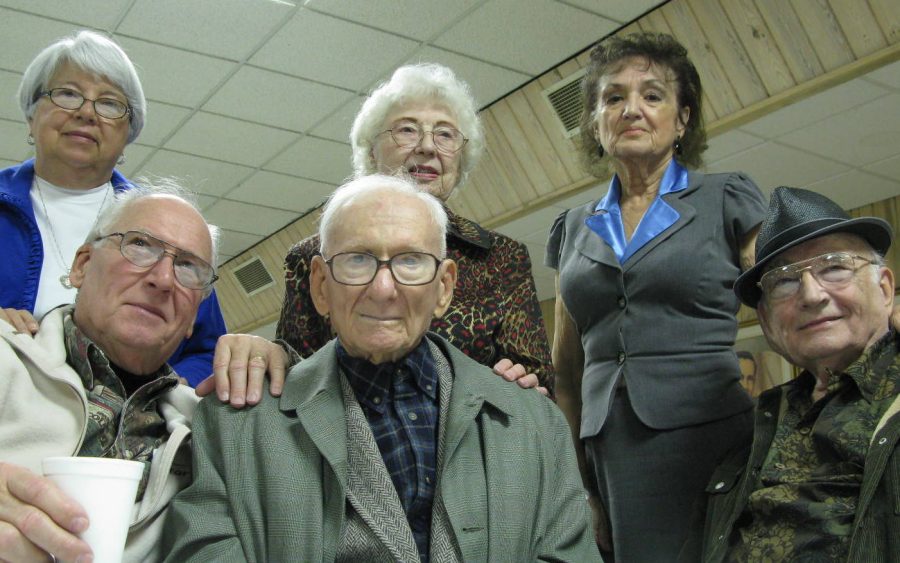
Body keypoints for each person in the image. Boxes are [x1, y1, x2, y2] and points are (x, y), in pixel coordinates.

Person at [162, 175, 598, 562]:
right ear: (319, 286)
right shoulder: (236, 425)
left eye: (410, 261)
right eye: (357, 260)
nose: (383, 288)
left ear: (444, 288)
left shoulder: (534, 423)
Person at [546, 32, 767, 561]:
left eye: (652, 95)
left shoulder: (725, 199)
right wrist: (580, 487)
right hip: (610, 454)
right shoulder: (573, 227)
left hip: (710, 435)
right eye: (613, 97)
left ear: (682, 118)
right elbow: (566, 374)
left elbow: (785, 302)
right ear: (596, 124)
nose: (631, 109)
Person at [274, 63, 553, 398]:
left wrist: (524, 384)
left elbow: (537, 374)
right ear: (372, 149)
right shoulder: (314, 255)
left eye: (445, 134)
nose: (428, 147)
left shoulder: (501, 256)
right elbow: (292, 368)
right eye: (407, 130)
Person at [0, 182, 221, 562]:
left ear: (194, 317)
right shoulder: (6, 356)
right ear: (82, 265)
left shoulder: (209, 433)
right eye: (140, 245)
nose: (163, 279)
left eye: (188, 267)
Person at [0, 29, 226, 385]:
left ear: (128, 134)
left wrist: (164, 393)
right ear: (32, 115)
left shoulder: (165, 228)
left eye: (109, 103)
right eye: (68, 94)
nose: (87, 113)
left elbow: (207, 350)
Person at [690, 186, 899, 561]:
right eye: (784, 280)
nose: (811, 294)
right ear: (767, 321)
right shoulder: (757, 425)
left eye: (835, 267)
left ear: (884, 289)